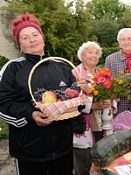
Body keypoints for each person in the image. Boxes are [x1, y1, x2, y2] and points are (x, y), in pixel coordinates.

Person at [0, 13, 77, 175]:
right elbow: (3, 104)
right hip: (30, 152)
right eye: (25, 37)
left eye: (35, 34)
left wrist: (83, 92)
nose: (32, 39)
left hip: (63, 148)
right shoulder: (12, 68)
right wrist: (30, 114)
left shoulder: (62, 66)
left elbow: (76, 99)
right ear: (19, 44)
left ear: (43, 38)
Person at [72, 41, 113, 175]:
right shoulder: (75, 73)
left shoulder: (103, 74)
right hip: (83, 126)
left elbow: (112, 94)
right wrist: (93, 105)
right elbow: (71, 100)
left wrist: (110, 102)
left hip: (102, 124)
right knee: (83, 163)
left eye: (97, 53)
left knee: (102, 159)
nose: (94, 55)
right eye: (90, 52)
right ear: (82, 55)